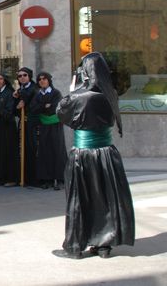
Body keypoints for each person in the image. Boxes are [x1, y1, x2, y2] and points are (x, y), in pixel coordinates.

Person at [54, 52, 135, 259]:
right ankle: (104, 245)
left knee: (79, 199)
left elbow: (62, 114)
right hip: (107, 154)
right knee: (106, 198)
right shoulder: (111, 94)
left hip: (84, 155)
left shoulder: (78, 96)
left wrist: (73, 90)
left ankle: (76, 245)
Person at [30, 72, 67, 190]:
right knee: (44, 150)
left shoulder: (56, 93)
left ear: (49, 80)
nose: (42, 81)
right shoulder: (38, 94)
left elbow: (54, 107)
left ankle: (59, 179)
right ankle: (47, 179)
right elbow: (33, 108)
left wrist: (44, 107)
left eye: (44, 79)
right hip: (44, 125)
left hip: (55, 124)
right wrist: (44, 106)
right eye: (39, 79)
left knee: (57, 149)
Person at [0, 72, 19, 186]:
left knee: (8, 152)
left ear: (4, 80)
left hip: (8, 127)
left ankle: (11, 178)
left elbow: (10, 111)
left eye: (1, 79)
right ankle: (0, 177)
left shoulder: (9, 93)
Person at [13, 67, 39, 186]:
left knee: (32, 148)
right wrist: (17, 105)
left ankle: (33, 178)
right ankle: (23, 176)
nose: (22, 78)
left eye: (25, 75)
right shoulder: (20, 90)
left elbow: (30, 100)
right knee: (22, 149)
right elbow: (16, 107)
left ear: (29, 76)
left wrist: (19, 95)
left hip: (32, 124)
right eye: (20, 76)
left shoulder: (34, 88)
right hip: (23, 122)